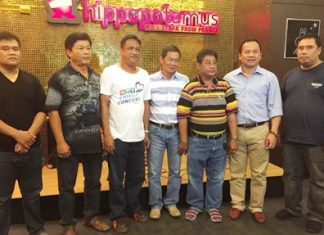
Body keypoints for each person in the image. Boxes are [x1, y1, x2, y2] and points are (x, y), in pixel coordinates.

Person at [45, 32, 109, 235]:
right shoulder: (59, 77)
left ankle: (91, 217)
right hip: (69, 143)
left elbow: (102, 109)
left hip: (93, 142)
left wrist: (103, 134)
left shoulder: (98, 77)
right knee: (66, 186)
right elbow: (52, 110)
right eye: (80, 48)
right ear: (68, 51)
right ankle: (68, 225)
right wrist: (60, 142)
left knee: (93, 183)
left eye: (88, 47)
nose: (86, 52)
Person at [223, 39, 282, 224]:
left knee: (259, 173)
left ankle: (256, 207)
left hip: (260, 130)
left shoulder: (269, 78)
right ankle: (237, 204)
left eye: (254, 51)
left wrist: (273, 132)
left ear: (260, 54)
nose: (251, 55)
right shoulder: (229, 78)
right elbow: (225, 108)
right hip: (236, 131)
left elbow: (275, 107)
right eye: (247, 51)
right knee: (236, 172)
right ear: (239, 55)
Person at [177, 48, 238, 223]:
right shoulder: (190, 87)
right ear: (198, 65)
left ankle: (213, 207)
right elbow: (182, 115)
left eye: (214, 63)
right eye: (208, 62)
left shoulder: (225, 86)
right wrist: (183, 140)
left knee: (217, 177)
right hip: (197, 142)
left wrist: (233, 138)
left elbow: (231, 113)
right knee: (195, 176)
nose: (212, 66)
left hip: (219, 142)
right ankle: (195, 206)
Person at [100, 34, 151, 233]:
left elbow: (146, 105)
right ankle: (117, 215)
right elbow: (104, 104)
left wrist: (145, 131)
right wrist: (107, 134)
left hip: (138, 137)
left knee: (136, 177)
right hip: (117, 137)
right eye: (130, 48)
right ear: (121, 50)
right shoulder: (110, 73)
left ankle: (133, 208)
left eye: (137, 49)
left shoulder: (144, 75)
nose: (134, 52)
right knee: (115, 179)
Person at [0, 31, 48, 235]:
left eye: (15, 48)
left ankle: (36, 230)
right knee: (2, 198)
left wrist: (28, 136)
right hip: (2, 153)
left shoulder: (31, 80)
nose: (12, 52)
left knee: (33, 194)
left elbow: (42, 110)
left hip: (31, 150)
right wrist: (17, 135)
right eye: (5, 48)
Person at [276, 34, 324, 234]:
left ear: (319, 49)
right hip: (292, 138)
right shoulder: (291, 75)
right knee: (291, 176)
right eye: (300, 48)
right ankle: (292, 208)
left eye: (309, 47)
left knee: (319, 180)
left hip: (317, 140)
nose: (303, 51)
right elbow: (283, 102)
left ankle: (316, 215)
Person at [148, 45, 189, 220]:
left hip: (175, 131)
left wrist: (184, 136)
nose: (173, 63)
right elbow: (146, 106)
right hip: (156, 129)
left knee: (175, 171)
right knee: (154, 171)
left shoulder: (184, 80)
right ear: (161, 59)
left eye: (176, 60)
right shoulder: (149, 79)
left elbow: (186, 109)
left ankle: (171, 202)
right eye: (170, 59)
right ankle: (156, 204)